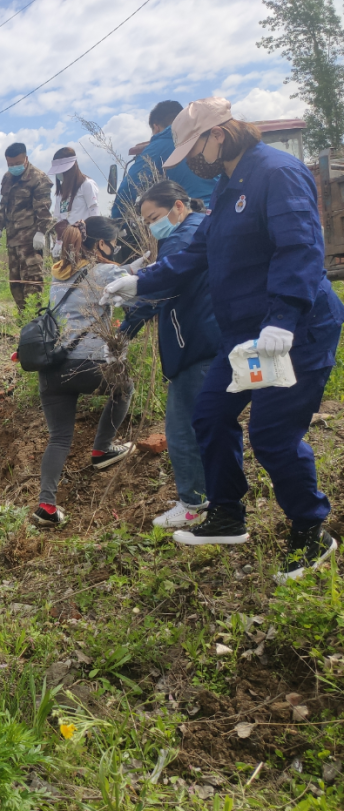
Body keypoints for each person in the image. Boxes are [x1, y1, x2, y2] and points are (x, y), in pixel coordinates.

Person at [103, 98, 344, 580]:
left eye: (193, 147)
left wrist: (284, 316)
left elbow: (300, 246)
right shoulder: (226, 188)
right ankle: (228, 514)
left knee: (273, 435)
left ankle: (310, 529)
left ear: (218, 135)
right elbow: (197, 253)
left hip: (292, 334)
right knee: (209, 415)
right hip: (246, 340)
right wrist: (142, 282)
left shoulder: (276, 173)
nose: (191, 160)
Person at [119, 181, 219, 528]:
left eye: (154, 217)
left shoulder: (181, 236)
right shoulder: (196, 227)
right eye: (146, 222)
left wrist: (128, 320)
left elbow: (165, 283)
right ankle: (209, 500)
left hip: (194, 341)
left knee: (181, 429)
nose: (151, 226)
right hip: (202, 337)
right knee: (203, 425)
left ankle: (194, 504)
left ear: (178, 206)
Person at [31, 217, 135, 527]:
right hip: (89, 364)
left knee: (59, 438)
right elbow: (138, 294)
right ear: (102, 244)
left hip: (52, 367)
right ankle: (102, 449)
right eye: (113, 242)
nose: (115, 247)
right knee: (124, 386)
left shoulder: (58, 273)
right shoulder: (109, 272)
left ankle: (46, 507)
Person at [110, 100, 218, 220]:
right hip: (227, 212)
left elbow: (129, 187)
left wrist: (118, 222)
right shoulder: (211, 137)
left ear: (156, 127)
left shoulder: (157, 148)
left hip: (193, 219)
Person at [0, 143, 55, 310]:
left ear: (26, 159)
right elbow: (3, 205)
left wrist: (41, 232)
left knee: (32, 279)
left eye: (17, 163)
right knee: (15, 281)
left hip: (31, 239)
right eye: (10, 164)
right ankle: (23, 318)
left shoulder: (38, 178)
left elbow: (43, 208)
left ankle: (34, 319)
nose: (14, 167)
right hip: (13, 238)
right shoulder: (7, 178)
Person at [48, 147, 99, 257]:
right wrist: (58, 242)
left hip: (84, 241)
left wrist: (93, 241)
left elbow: (94, 215)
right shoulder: (61, 193)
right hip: (67, 244)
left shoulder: (87, 185)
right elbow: (59, 219)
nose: (59, 175)